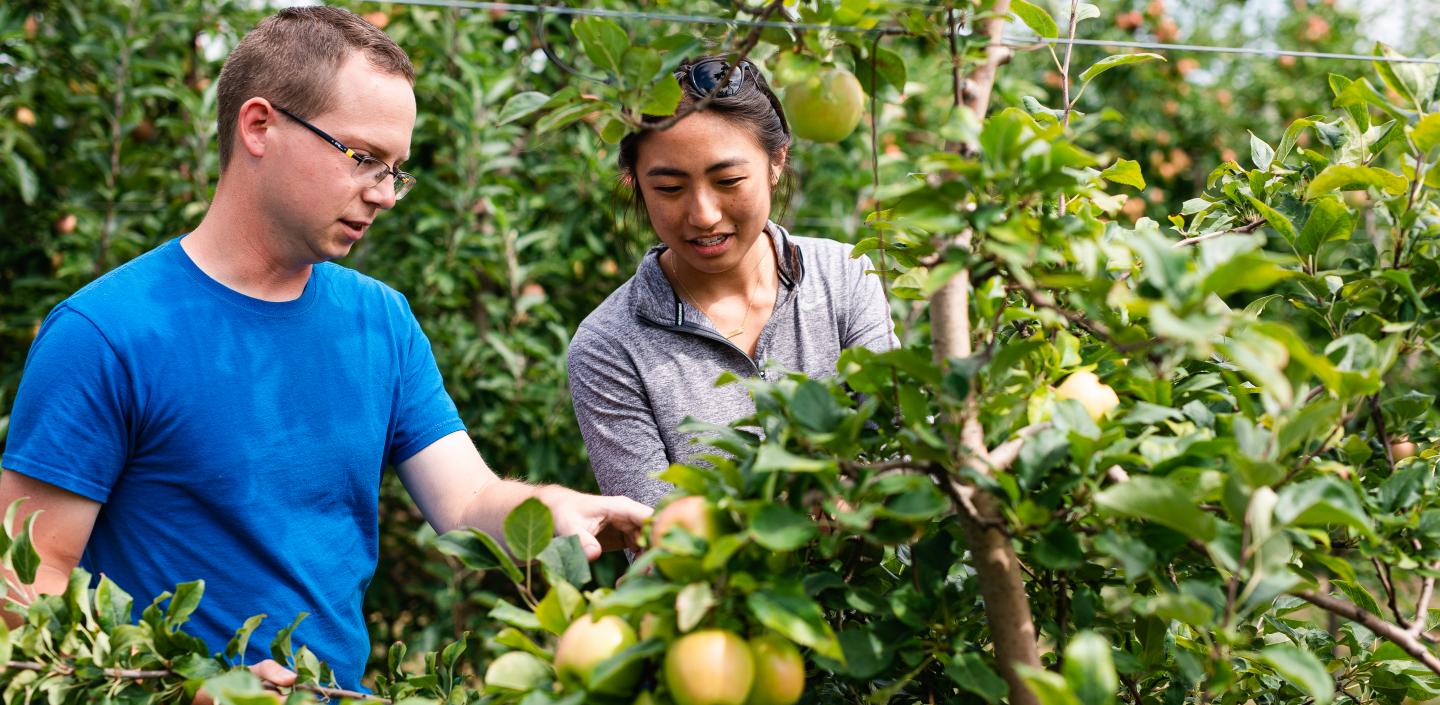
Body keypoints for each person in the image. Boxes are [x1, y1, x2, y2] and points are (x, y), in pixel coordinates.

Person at [0, 7, 650, 692]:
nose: (385, 194)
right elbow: (23, 578)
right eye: (363, 158)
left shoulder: (380, 321)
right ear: (259, 126)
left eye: (396, 169)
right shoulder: (108, 332)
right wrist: (170, 687)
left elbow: (467, 500)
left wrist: (551, 511)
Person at [568, 56, 897, 508]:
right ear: (636, 184)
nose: (703, 214)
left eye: (728, 180)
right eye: (669, 188)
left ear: (776, 161)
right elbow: (661, 539)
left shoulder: (845, 276)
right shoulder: (609, 346)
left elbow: (898, 459)